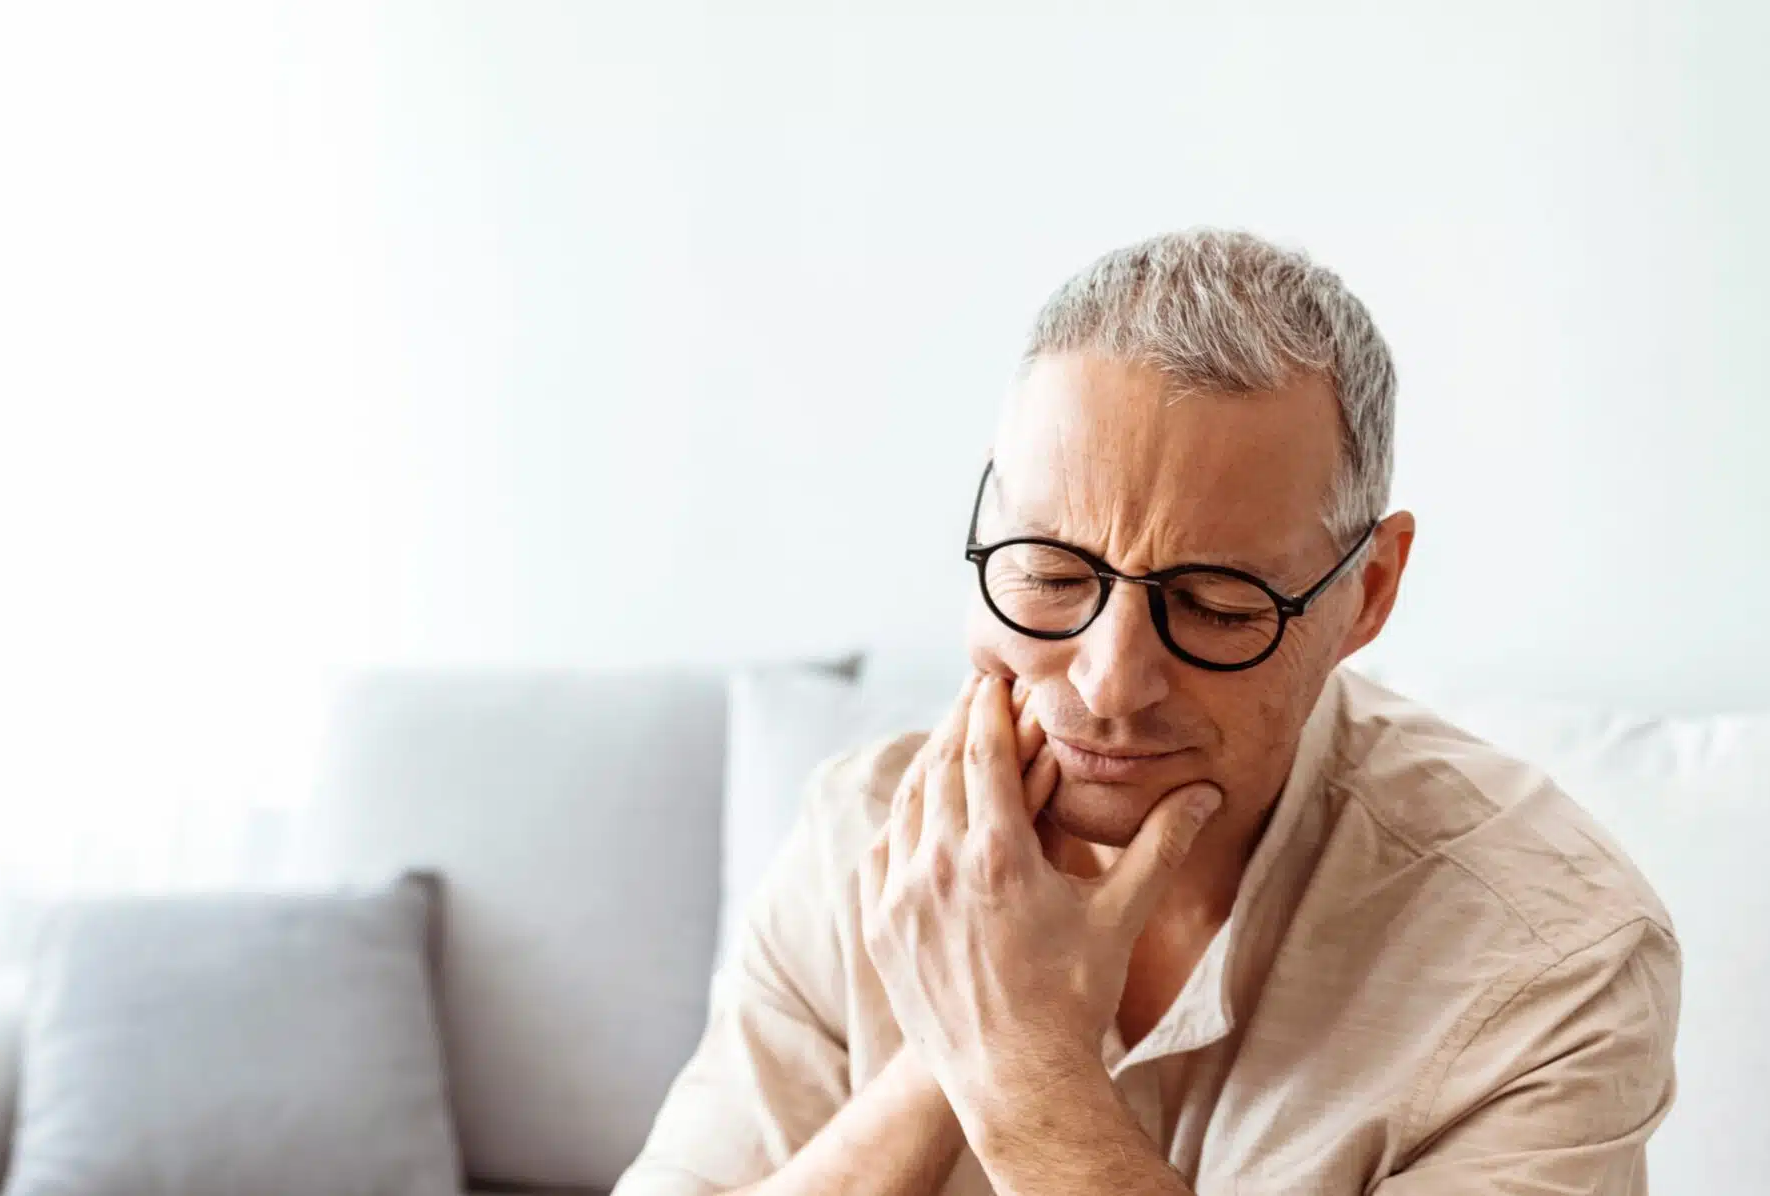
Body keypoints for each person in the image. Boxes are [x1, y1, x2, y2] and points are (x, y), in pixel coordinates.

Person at [614, 230, 1678, 1195]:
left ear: (1367, 591)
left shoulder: (1551, 958)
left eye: (1217, 605)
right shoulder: (865, 833)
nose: (1110, 682)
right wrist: (950, 1040)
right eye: (1049, 571)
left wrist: (1022, 1067)